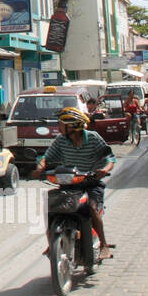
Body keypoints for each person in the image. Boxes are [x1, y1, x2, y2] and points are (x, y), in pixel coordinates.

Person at [32, 107, 117, 260]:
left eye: (61, 124)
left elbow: (110, 158)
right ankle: (53, 243)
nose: (58, 128)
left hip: (91, 184)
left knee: (90, 208)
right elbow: (46, 157)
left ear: (72, 126)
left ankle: (104, 244)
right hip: (69, 184)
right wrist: (40, 167)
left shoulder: (93, 138)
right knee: (50, 208)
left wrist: (104, 170)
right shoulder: (61, 141)